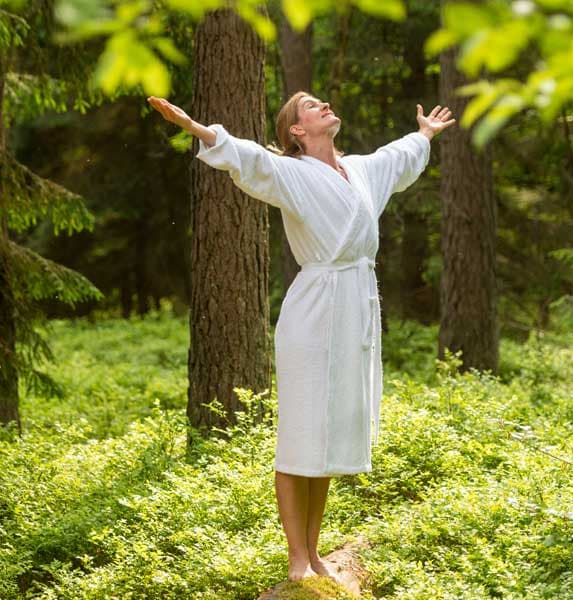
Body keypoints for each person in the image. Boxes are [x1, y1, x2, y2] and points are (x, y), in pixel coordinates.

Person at [148, 92, 456, 582]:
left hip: (353, 308)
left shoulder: (357, 170)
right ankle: (297, 561)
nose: (326, 105)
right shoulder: (290, 172)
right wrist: (197, 129)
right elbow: (248, 158)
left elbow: (394, 159)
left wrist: (424, 136)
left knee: (327, 439)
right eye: (312, 106)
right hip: (314, 312)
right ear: (296, 129)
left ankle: (314, 554)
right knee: (301, 438)